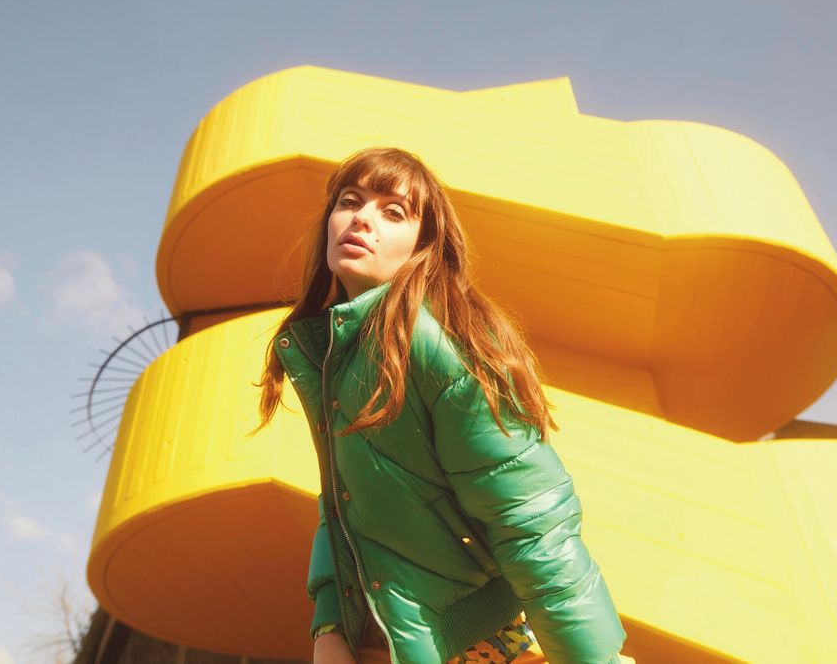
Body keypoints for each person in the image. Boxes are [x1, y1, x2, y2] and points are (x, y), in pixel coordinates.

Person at [254, 146, 627, 663]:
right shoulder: (336, 353)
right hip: (396, 640)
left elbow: (530, 519)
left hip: (478, 642)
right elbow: (341, 505)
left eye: (393, 212)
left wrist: (594, 660)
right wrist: (331, 628)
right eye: (350, 201)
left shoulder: (437, 343)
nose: (362, 218)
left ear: (423, 245)